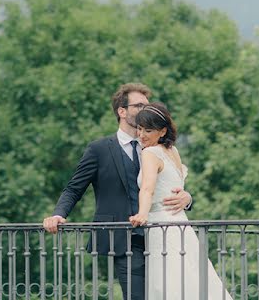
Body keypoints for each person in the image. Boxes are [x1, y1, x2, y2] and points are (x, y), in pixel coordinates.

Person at [43, 83, 193, 300]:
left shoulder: (160, 148)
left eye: (147, 105)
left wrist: (187, 198)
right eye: (139, 105)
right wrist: (58, 214)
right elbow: (74, 188)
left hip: (163, 236)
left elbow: (173, 184)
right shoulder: (99, 149)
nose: (145, 110)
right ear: (121, 111)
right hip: (125, 240)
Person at [128, 102, 233, 300]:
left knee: (168, 283)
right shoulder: (173, 151)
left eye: (148, 130)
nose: (141, 135)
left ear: (162, 131)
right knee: (192, 278)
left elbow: (148, 188)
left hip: (161, 226)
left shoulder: (150, 153)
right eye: (139, 129)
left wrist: (142, 214)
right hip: (181, 225)